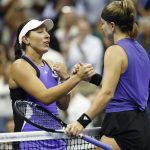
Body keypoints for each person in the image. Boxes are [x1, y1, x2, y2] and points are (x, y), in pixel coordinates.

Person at [65, 0, 150, 150]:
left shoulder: (114, 51)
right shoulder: (141, 50)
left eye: (103, 23)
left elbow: (107, 92)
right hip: (141, 125)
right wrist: (90, 77)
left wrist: (81, 122)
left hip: (120, 125)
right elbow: (122, 87)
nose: (101, 27)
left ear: (112, 26)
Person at [9, 18, 96, 150]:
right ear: (26, 39)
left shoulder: (50, 64)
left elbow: (64, 105)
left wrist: (66, 78)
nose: (47, 35)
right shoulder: (19, 66)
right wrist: (77, 77)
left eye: (47, 32)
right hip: (30, 140)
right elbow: (46, 97)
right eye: (40, 32)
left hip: (56, 138)